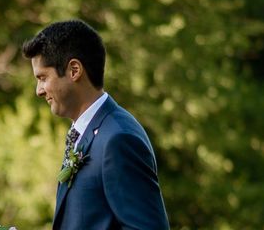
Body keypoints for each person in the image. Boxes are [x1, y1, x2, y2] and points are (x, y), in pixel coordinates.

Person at [22, 19, 170, 230]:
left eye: (43, 77)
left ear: (74, 70)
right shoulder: (87, 132)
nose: (39, 90)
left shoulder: (119, 138)